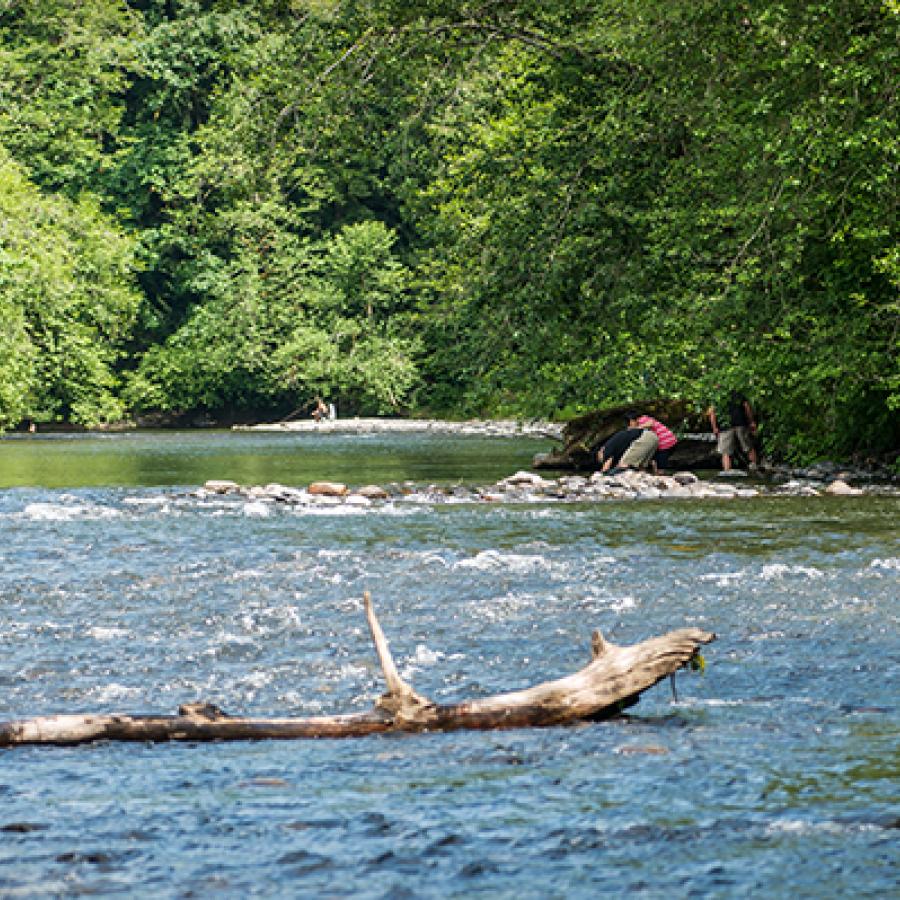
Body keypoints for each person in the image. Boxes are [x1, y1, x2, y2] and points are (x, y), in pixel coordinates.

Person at [708, 391, 759, 471]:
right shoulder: (738, 394)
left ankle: (727, 472)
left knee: (726, 452)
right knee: (748, 447)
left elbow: (712, 413)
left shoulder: (717, 396)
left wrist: (714, 427)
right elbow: (747, 407)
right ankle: (754, 466)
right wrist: (751, 421)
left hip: (725, 426)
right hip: (741, 423)